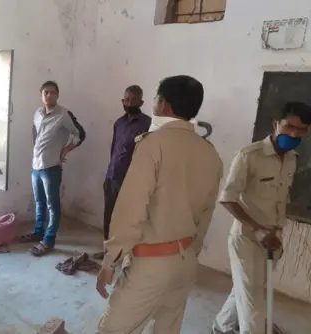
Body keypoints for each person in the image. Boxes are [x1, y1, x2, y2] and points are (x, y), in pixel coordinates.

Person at [95, 75, 223, 334]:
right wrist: (189, 253)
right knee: (167, 328)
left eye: (154, 97)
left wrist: (110, 261)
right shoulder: (210, 152)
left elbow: (131, 210)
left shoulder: (153, 144)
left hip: (151, 265)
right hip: (185, 262)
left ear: (164, 105)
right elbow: (206, 212)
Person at [212, 102, 311, 334]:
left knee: (247, 288)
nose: (295, 134)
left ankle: (221, 325)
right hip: (247, 237)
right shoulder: (249, 156)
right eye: (289, 127)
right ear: (276, 124)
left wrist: (275, 231)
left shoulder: (291, 159)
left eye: (302, 129)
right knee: (254, 299)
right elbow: (227, 198)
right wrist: (257, 229)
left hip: (273, 238)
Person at [18, 81, 84, 256]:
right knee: (39, 202)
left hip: (51, 168)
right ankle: (38, 232)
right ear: (41, 94)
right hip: (36, 166)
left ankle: (49, 240)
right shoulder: (37, 114)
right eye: (46, 92)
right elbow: (35, 131)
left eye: (53, 92)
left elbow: (79, 134)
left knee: (52, 205)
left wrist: (66, 150)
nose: (49, 95)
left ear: (57, 95)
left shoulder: (63, 115)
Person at [94, 85, 151, 260]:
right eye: (126, 100)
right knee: (109, 217)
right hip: (113, 176)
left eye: (133, 101)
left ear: (141, 102)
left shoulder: (147, 124)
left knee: (128, 220)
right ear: (122, 101)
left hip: (132, 180)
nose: (129, 103)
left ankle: (126, 255)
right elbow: (114, 149)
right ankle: (109, 252)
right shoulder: (119, 123)